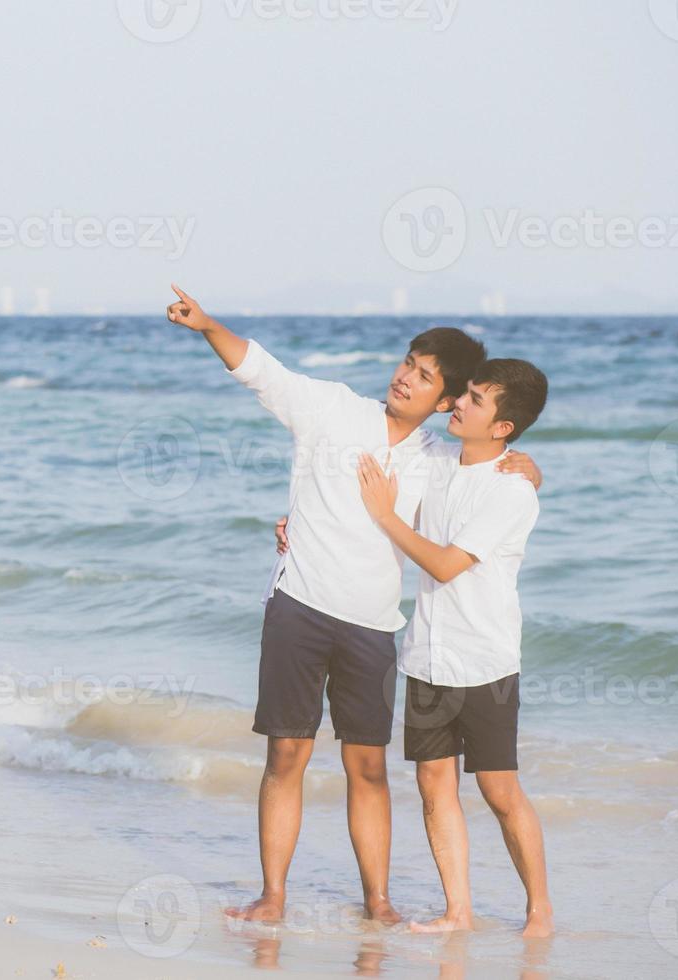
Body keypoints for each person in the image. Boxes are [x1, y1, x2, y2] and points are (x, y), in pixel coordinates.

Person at [164, 284, 541, 924]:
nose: (405, 378)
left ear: (447, 400)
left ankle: (379, 901)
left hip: (371, 625)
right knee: (285, 755)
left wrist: (530, 467)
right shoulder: (333, 410)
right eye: (407, 363)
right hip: (299, 605)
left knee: (367, 766)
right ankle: (273, 896)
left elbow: (487, 476)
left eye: (424, 377)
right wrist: (206, 326)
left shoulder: (437, 461)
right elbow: (263, 371)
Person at [355, 358, 554, 938]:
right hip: (425, 657)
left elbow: (444, 566)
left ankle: (539, 910)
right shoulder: (436, 457)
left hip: (485, 660)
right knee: (433, 784)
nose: (457, 404)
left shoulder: (513, 490)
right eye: (462, 392)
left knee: (498, 789)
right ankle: (457, 911)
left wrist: (385, 517)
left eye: (474, 400)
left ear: (503, 429)